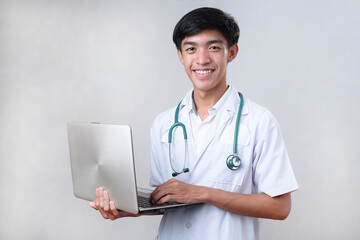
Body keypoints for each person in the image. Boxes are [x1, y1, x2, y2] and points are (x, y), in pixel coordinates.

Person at [90, 7, 298, 240]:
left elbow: (280, 207)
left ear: (232, 52)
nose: (201, 59)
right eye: (191, 49)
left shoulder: (259, 121)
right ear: (180, 55)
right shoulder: (164, 123)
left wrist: (202, 193)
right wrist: (128, 208)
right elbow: (168, 202)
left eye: (213, 47)